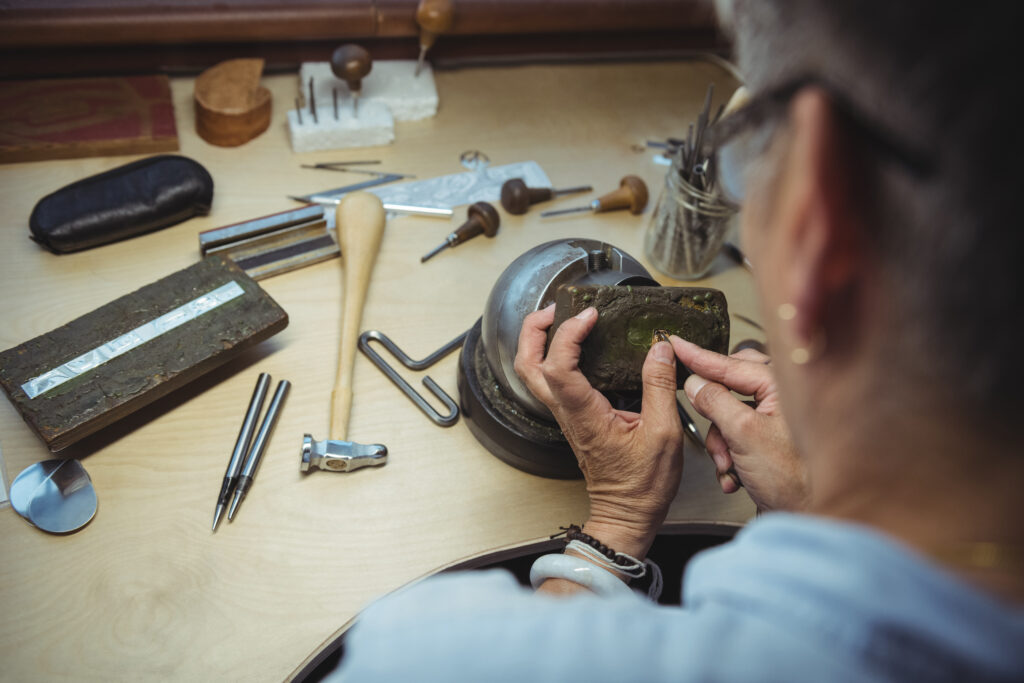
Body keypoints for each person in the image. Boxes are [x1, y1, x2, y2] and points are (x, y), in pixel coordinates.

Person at [329, 1, 1024, 679]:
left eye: (753, 140)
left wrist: (619, 523)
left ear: (816, 217)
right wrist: (814, 502)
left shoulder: (430, 657)